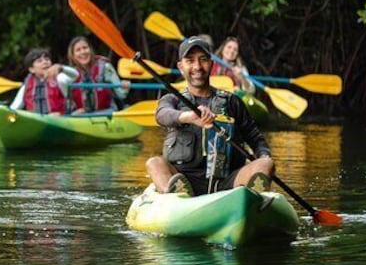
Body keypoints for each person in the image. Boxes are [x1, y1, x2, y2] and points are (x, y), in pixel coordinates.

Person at [145, 35, 274, 196]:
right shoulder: (172, 100)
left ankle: (251, 200)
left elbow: (256, 139)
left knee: (266, 163)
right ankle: (176, 196)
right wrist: (189, 117)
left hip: (229, 182)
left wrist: (263, 158)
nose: (197, 66)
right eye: (190, 61)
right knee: (154, 163)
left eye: (203, 59)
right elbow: (162, 115)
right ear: (180, 67)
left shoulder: (232, 102)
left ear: (211, 64)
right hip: (184, 179)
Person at [66, 36, 130, 113]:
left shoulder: (105, 67)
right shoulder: (70, 74)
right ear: (73, 56)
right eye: (78, 50)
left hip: (106, 113)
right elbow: (67, 102)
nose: (83, 52)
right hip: (81, 116)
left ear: (90, 49)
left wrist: (124, 87)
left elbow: (121, 95)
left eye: (85, 48)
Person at [9, 48, 78, 116]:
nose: (45, 62)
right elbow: (14, 107)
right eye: (39, 61)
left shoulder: (60, 78)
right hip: (36, 120)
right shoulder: (27, 85)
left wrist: (61, 68)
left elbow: (76, 75)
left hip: (62, 118)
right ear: (32, 69)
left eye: (47, 59)